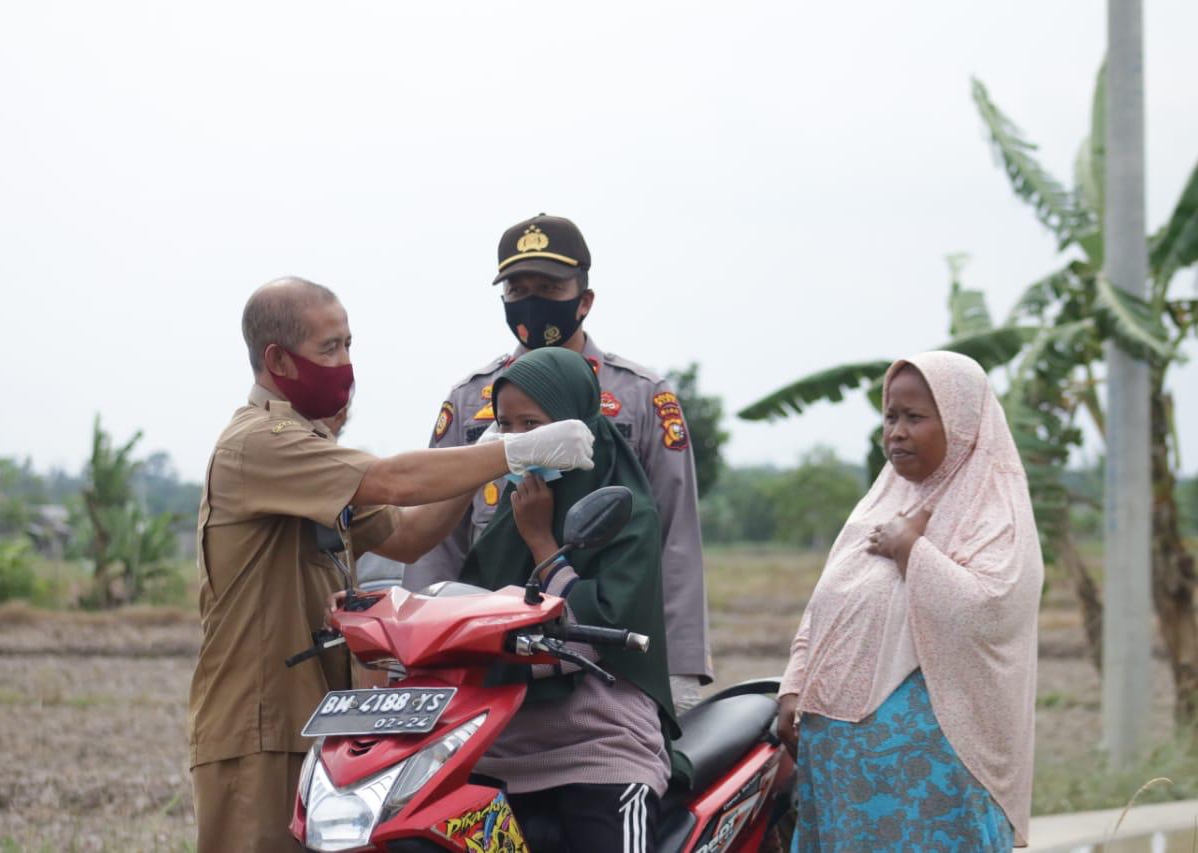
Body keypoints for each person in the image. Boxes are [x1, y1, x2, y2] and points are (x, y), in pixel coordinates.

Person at [188, 277, 596, 853]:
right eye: (329, 349)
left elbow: (406, 536)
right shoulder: (261, 443)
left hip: (317, 717)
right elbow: (393, 482)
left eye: (349, 345)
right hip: (260, 721)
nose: (346, 363)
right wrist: (515, 450)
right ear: (277, 358)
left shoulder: (309, 447)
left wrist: (486, 456)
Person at [405, 212, 712, 712]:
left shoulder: (638, 396)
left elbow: (676, 537)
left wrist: (677, 665)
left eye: (549, 287)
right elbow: (436, 538)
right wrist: (417, 656)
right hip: (492, 656)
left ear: (584, 299)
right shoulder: (471, 401)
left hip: (607, 655)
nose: (532, 301)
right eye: (517, 288)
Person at [775, 351, 1042, 851]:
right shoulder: (880, 501)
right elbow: (826, 603)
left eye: (915, 417)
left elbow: (989, 609)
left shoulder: (993, 510)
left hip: (931, 779)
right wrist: (795, 684)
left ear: (962, 425)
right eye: (891, 416)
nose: (896, 432)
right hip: (842, 772)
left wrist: (909, 549)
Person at [459, 346, 679, 852]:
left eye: (533, 424)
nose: (518, 442)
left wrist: (542, 541)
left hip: (601, 745)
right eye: (507, 426)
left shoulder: (629, 513)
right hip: (503, 747)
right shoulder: (506, 517)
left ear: (576, 423)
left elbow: (601, 625)